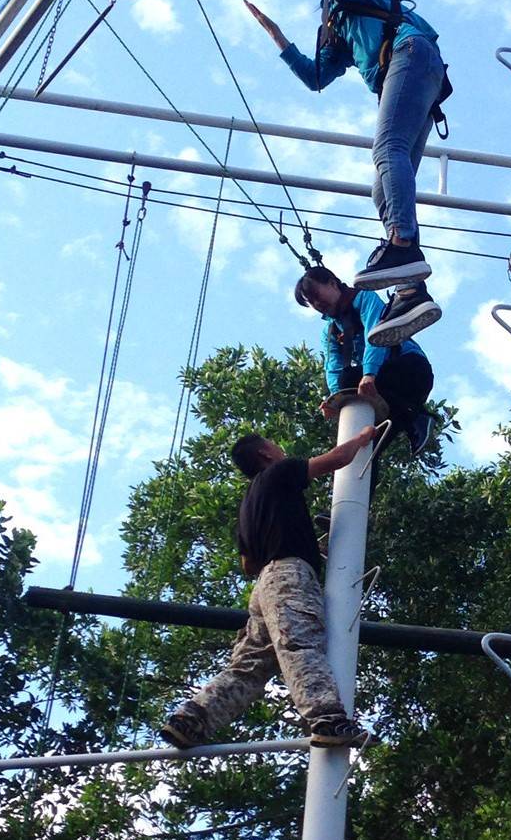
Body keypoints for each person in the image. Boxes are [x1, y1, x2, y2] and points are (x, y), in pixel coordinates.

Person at [245, 0, 448, 345]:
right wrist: (277, 36)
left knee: (386, 148)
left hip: (410, 53)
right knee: (383, 185)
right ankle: (411, 290)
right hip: (412, 72)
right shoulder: (334, 15)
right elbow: (318, 76)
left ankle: (403, 243)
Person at [160, 426, 376, 750]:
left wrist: (304, 544)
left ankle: (192, 719)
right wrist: (364, 436)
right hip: (289, 578)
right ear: (265, 454)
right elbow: (337, 459)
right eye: (276, 446)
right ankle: (327, 719)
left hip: (264, 588)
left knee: (250, 665)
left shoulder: (249, 503)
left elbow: (248, 564)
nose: (282, 451)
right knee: (300, 643)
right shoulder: (280, 471)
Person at [294, 266, 435, 476]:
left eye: (316, 296)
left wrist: (369, 374)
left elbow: (376, 337)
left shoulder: (365, 299)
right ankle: (353, 504)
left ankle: (414, 416)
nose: (317, 304)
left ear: (332, 283)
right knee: (365, 446)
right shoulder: (331, 329)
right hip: (384, 387)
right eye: (311, 302)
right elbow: (332, 364)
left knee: (349, 378)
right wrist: (335, 399)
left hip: (410, 369)